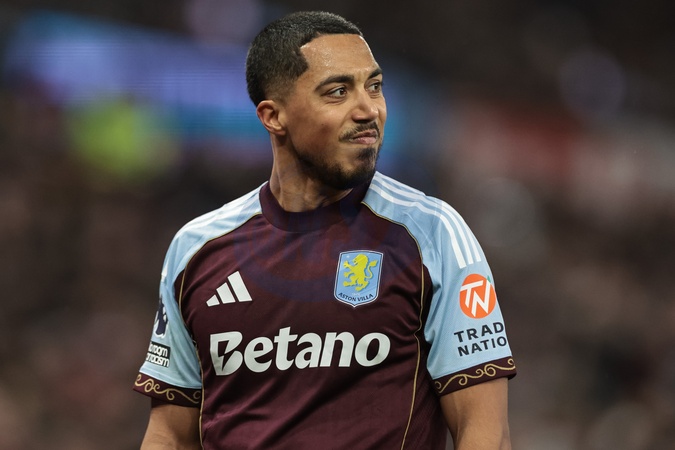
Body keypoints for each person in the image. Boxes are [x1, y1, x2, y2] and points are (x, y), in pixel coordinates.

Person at [134, 10, 516, 449]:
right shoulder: (196, 248)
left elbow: (484, 433)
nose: (369, 110)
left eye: (374, 86)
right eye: (338, 92)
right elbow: (169, 435)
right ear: (273, 116)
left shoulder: (432, 232)